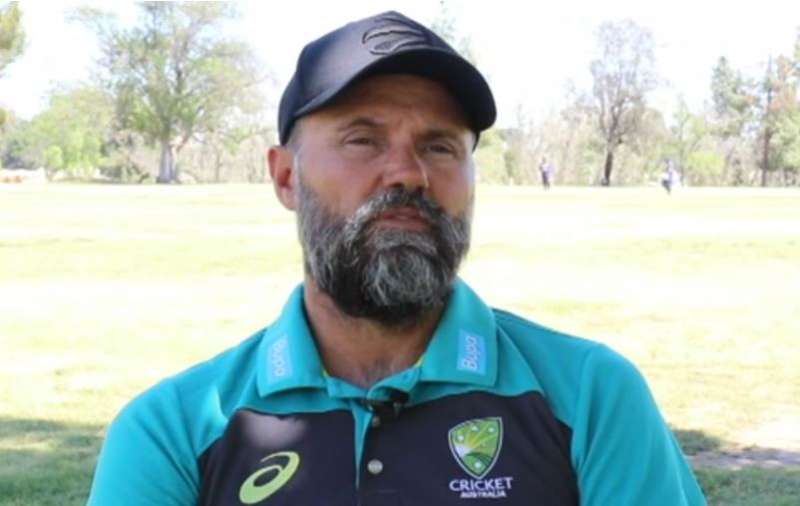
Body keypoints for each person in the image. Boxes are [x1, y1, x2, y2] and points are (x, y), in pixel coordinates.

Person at [88, 11, 706, 505]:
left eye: (440, 146)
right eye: (363, 139)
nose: (409, 173)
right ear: (285, 178)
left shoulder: (591, 396)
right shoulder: (174, 431)